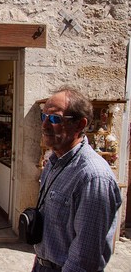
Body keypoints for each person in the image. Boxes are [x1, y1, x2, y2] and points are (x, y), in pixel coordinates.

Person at [33, 86, 122, 271]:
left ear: (80, 125)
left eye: (55, 119)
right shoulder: (54, 161)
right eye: (44, 117)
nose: (45, 125)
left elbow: (85, 258)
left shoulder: (93, 177)